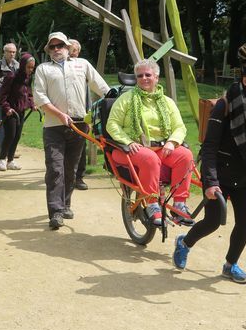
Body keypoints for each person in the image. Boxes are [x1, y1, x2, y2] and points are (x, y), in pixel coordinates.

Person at [173, 43, 246, 284]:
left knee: (245, 223)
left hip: (244, 175)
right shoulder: (226, 105)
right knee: (213, 222)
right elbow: (210, 147)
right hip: (220, 176)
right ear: (245, 81)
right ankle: (184, 242)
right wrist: (210, 183)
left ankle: (230, 265)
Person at [33, 32, 110, 230]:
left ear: (68, 47)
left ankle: (66, 204)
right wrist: (59, 115)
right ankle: (56, 211)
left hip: (79, 124)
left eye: (60, 45)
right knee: (55, 169)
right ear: (48, 50)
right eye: (53, 46)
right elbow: (39, 97)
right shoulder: (43, 69)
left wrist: (116, 100)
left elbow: (101, 87)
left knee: (71, 169)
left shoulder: (82, 64)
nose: (57, 49)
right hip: (54, 126)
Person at [106, 58, 194, 227]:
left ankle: (179, 205)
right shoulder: (126, 99)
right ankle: (152, 205)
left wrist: (172, 142)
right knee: (149, 158)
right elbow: (112, 124)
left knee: (186, 155)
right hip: (128, 149)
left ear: (156, 77)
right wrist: (127, 141)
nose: (144, 78)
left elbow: (180, 127)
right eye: (140, 76)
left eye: (148, 75)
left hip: (161, 148)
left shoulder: (167, 102)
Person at [0, 53, 36, 171]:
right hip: (10, 111)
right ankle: (2, 159)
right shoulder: (11, 76)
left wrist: (32, 104)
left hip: (21, 111)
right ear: (23, 65)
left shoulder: (28, 78)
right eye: (28, 67)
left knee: (17, 136)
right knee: (10, 135)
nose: (30, 70)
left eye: (32, 68)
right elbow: (2, 95)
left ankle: (10, 160)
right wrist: (7, 108)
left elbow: (28, 93)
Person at [0, 43, 18, 155]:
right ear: (4, 52)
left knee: (13, 128)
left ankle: (10, 151)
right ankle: (2, 151)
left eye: (14, 52)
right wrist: (3, 81)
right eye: (9, 52)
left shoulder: (17, 65)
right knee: (1, 128)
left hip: (13, 103)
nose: (12, 54)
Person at [68, 39, 89, 191]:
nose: (71, 53)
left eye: (73, 50)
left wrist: (89, 114)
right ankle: (63, 176)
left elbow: (88, 94)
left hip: (82, 114)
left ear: (78, 52)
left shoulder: (83, 67)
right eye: (68, 49)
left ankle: (79, 177)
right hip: (63, 114)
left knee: (81, 147)